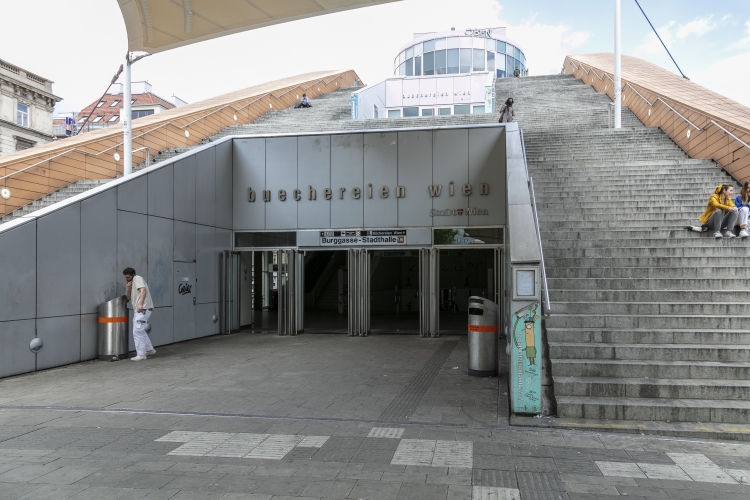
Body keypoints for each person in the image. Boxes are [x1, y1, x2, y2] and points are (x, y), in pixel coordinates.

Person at [122, 267, 156, 361]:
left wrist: (140, 304)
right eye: (125, 277)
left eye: (128, 277)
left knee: (137, 331)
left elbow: (143, 290)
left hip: (143, 308)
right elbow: (128, 298)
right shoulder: (132, 283)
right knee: (140, 330)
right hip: (141, 309)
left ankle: (141, 354)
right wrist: (128, 288)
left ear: (133, 275)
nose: (126, 279)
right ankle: (149, 349)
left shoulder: (137, 278)